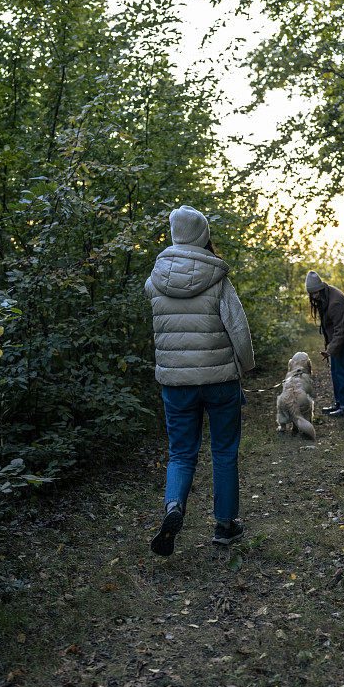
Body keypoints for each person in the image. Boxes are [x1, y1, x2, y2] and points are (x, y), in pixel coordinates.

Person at [145, 205, 255, 556]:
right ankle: (225, 526)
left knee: (180, 453)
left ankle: (174, 506)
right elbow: (238, 330)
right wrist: (246, 367)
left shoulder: (155, 280)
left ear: (174, 234)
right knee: (223, 451)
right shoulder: (218, 279)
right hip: (220, 378)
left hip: (175, 383)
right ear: (204, 235)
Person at [305, 270, 344, 418]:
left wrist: (330, 350)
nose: (314, 296)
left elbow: (340, 331)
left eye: (315, 293)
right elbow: (329, 327)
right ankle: (339, 403)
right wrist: (330, 346)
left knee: (342, 370)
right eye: (312, 294)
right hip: (337, 335)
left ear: (320, 289)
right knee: (335, 370)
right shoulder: (324, 296)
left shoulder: (335, 302)